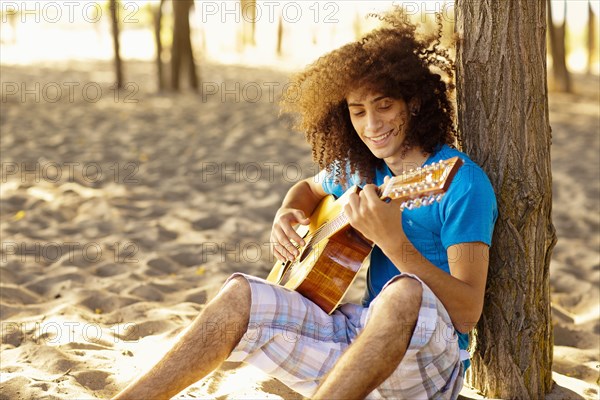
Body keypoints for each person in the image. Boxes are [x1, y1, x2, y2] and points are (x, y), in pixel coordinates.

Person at [114, 8, 497, 400]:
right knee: (239, 293)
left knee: (403, 293)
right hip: (358, 343)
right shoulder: (363, 168)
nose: (371, 126)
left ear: (412, 103)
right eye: (357, 111)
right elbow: (309, 189)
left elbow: (468, 311)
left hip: (428, 362)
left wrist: (392, 241)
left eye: (384, 106)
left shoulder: (461, 182)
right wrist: (286, 213)